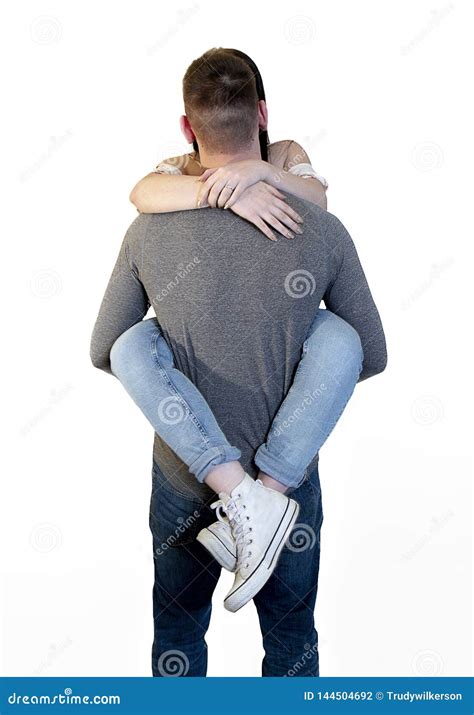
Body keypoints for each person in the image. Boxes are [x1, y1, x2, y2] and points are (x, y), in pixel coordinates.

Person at [90, 48, 387, 676]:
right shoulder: (320, 228)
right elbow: (370, 353)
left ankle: (244, 496)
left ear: (186, 129)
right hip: (290, 483)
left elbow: (104, 348)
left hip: (182, 480)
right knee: (290, 643)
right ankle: (264, 497)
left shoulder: (146, 229)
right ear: (262, 116)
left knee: (177, 635)